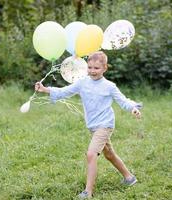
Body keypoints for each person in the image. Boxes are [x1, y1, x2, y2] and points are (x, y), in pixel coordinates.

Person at [35, 51, 142, 199]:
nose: (92, 71)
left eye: (96, 68)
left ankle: (88, 192)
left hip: (105, 125)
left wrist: (133, 108)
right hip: (93, 126)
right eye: (90, 67)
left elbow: (123, 100)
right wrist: (46, 89)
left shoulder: (109, 86)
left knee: (91, 154)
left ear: (105, 68)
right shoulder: (82, 82)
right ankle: (129, 178)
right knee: (109, 154)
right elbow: (64, 92)